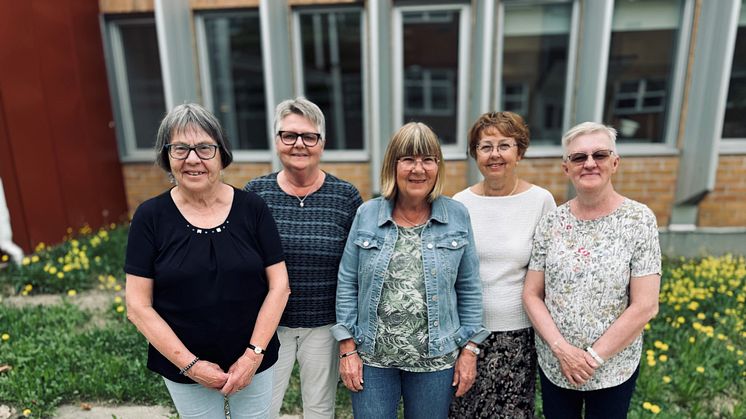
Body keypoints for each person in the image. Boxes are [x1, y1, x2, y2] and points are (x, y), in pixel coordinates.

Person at [125, 103, 290, 419]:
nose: (192, 159)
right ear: (167, 156)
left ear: (221, 154)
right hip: (182, 367)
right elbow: (137, 306)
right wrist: (192, 366)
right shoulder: (150, 217)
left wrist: (252, 356)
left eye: (204, 148)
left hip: (254, 362)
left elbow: (279, 286)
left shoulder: (252, 208)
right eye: (180, 149)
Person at [332, 122, 489, 419]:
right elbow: (347, 283)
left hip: (436, 362)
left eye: (427, 159)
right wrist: (347, 348)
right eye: (408, 159)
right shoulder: (367, 214)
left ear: (437, 166)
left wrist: (470, 350)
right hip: (373, 360)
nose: (418, 169)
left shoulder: (456, 215)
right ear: (393, 166)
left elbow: (469, 287)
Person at [522, 122, 661, 419]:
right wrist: (562, 351)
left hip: (614, 368)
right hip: (556, 364)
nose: (589, 163)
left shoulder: (639, 220)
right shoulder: (552, 222)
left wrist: (592, 358)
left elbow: (646, 305)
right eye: (578, 157)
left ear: (615, 162)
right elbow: (532, 294)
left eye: (599, 155)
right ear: (566, 168)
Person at [245, 97, 363, 419]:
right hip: (270, 325)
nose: (299, 144)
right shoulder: (255, 194)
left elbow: (355, 270)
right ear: (277, 141)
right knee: (262, 409)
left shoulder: (346, 197)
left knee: (319, 409)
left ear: (321, 143)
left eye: (309, 137)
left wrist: (348, 334)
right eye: (289, 135)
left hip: (324, 325)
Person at [449, 111, 556, 418]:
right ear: (475, 155)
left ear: (519, 151)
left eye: (504, 145)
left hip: (519, 337)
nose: (495, 154)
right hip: (467, 335)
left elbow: (548, 271)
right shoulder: (460, 204)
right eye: (485, 147)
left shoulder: (541, 201)